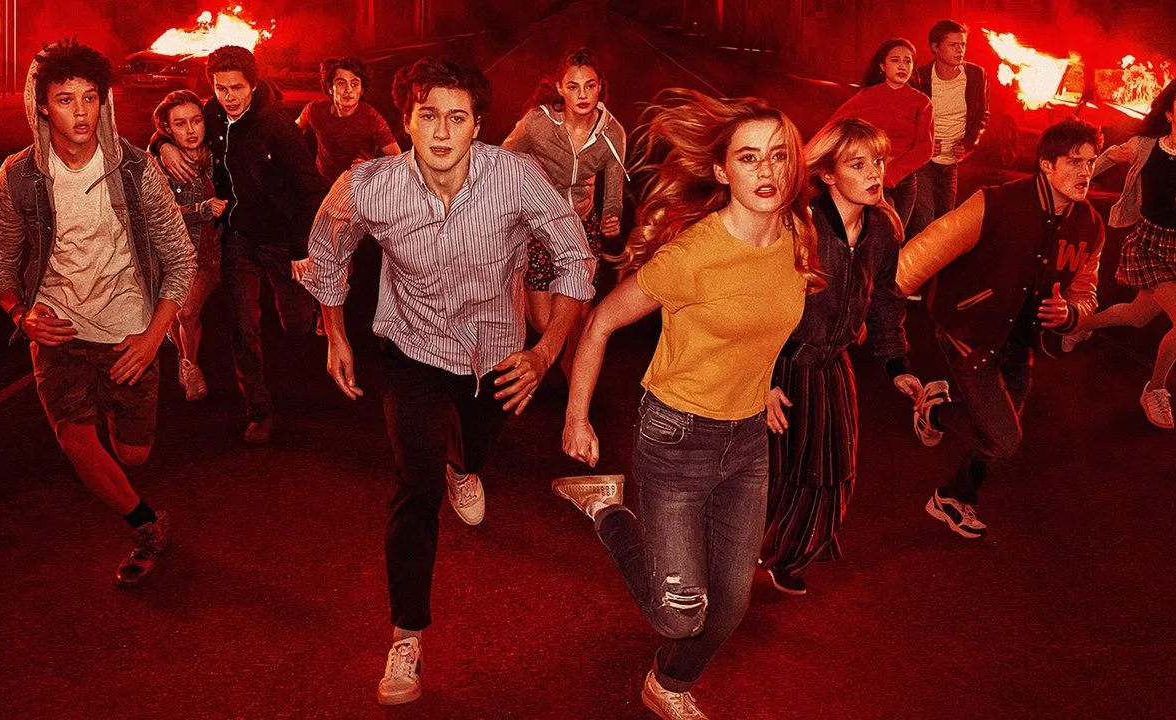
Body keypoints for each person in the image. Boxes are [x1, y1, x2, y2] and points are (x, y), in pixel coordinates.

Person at [302, 57, 595, 707]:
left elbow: (575, 257)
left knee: (476, 449)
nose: (441, 131)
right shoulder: (370, 184)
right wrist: (337, 334)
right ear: (406, 120)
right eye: (428, 115)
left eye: (456, 117)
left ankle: (465, 465)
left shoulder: (515, 177)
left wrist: (546, 351)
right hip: (411, 350)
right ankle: (407, 637)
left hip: (496, 356)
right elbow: (327, 249)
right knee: (416, 487)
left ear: (477, 125)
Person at [554, 88, 820, 719]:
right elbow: (600, 322)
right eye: (748, 157)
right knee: (679, 614)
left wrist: (762, 381)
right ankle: (606, 509)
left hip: (748, 441)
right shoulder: (692, 256)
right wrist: (576, 416)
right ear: (723, 172)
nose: (766, 170)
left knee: (730, 604)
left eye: (778, 155)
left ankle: (666, 684)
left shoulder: (797, 235)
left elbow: (762, 322)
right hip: (677, 438)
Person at [0, 40, 195, 586]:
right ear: (42, 107)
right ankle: (146, 526)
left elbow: (180, 258)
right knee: (76, 439)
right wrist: (21, 315)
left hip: (129, 334)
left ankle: (120, 443)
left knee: (133, 453)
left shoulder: (135, 170)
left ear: (104, 101)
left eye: (90, 98)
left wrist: (154, 337)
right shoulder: (19, 176)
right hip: (58, 332)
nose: (80, 112)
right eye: (65, 99)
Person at [897, 118, 1105, 538]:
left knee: (999, 434)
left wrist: (1071, 314)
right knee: (1005, 438)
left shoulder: (1090, 225)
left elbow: (1086, 291)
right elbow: (925, 250)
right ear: (1046, 164)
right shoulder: (996, 203)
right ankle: (936, 422)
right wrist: (875, 307)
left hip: (1020, 341)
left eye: (1091, 161)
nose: (1086, 171)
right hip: (969, 332)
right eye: (1074, 161)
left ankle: (952, 493)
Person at [760, 118, 918, 595]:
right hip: (782, 361)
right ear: (827, 173)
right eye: (858, 164)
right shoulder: (797, 224)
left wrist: (896, 364)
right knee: (774, 469)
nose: (874, 173)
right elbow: (758, 304)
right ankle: (742, 551)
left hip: (832, 366)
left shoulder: (883, 228)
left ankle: (790, 553)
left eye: (878, 162)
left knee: (833, 467)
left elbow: (885, 300)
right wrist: (761, 380)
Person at [153, 45, 326, 444]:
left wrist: (301, 249)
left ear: (253, 84)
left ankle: (305, 304)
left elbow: (310, 190)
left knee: (296, 323)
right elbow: (172, 122)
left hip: (281, 241)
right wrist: (161, 144)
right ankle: (258, 411)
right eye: (221, 88)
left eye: (236, 88)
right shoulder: (212, 115)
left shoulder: (277, 126)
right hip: (239, 239)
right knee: (243, 326)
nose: (228, 97)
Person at [1062, 77, 1176, 428]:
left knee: (1138, 315)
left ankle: (1078, 324)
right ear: (1169, 113)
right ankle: (1155, 389)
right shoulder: (1145, 147)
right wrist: (1078, 180)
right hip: (1147, 245)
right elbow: (1110, 156)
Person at [503, 47, 627, 377]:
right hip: (539, 226)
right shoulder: (538, 123)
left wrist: (612, 215)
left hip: (581, 226)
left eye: (590, 85)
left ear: (600, 87)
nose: (582, 95)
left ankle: (573, 363)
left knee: (580, 313)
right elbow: (502, 160)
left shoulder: (612, 133)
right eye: (573, 86)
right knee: (546, 322)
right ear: (560, 88)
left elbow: (614, 190)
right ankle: (516, 292)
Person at [152, 90, 226, 401]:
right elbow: (159, 214)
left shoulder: (219, 153)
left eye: (196, 121)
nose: (191, 130)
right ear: (168, 128)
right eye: (180, 124)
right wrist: (202, 210)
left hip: (208, 252)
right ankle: (187, 362)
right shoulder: (159, 165)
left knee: (187, 311)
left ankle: (189, 363)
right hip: (172, 254)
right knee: (175, 313)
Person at [827, 38, 934, 229]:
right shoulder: (866, 97)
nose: (902, 66)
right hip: (871, 178)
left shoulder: (922, 102)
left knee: (895, 237)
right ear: (882, 66)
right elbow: (832, 128)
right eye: (895, 60)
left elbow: (925, 148)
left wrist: (892, 173)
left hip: (905, 182)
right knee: (880, 232)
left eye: (908, 61)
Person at [909, 19, 990, 236]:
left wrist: (970, 143)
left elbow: (982, 115)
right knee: (924, 221)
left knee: (945, 224)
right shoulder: (920, 78)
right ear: (935, 47)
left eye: (963, 44)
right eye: (953, 45)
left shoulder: (976, 75)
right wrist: (923, 142)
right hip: (923, 162)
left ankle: (935, 261)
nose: (960, 50)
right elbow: (908, 119)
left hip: (951, 162)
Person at [296, 56, 401, 186]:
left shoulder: (372, 119)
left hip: (357, 187)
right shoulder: (315, 110)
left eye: (354, 84)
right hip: (322, 186)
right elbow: (292, 132)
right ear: (330, 88)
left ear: (361, 91)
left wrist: (372, 168)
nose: (348, 90)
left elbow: (397, 159)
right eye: (341, 83)